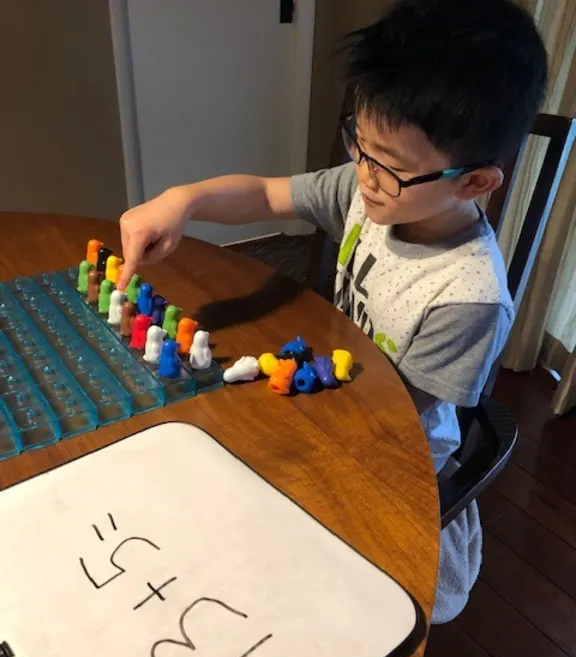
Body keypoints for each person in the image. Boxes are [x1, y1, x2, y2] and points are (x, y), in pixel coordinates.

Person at [117, 0, 548, 623]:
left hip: (392, 447)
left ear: (474, 182)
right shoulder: (371, 189)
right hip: (335, 391)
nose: (364, 176)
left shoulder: (467, 299)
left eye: (389, 166)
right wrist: (184, 200)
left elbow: (391, 419)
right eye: (360, 146)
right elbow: (266, 193)